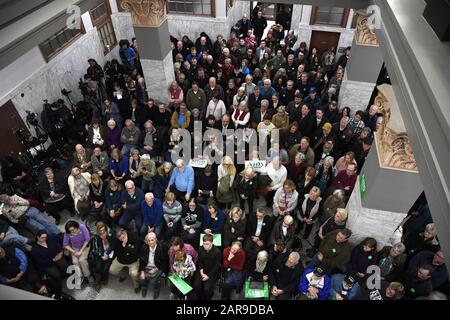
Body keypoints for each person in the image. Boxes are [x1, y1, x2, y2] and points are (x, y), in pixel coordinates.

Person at [109, 229, 141, 293]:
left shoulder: (134, 237)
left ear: (126, 233)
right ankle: (123, 274)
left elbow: (135, 252)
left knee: (133, 274)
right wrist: (128, 251)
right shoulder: (117, 240)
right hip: (121, 260)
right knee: (112, 270)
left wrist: (124, 246)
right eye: (120, 239)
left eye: (123, 238)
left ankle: (137, 286)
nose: (122, 240)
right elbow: (118, 251)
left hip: (133, 261)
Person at [138, 232, 169, 299]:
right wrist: (142, 271)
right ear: (147, 241)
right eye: (149, 240)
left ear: (156, 240)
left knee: (153, 281)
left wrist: (156, 269)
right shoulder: (144, 247)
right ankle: (144, 287)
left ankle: (156, 289)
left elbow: (165, 262)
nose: (151, 242)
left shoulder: (162, 248)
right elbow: (142, 260)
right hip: (147, 266)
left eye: (152, 240)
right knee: (141, 277)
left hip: (157, 266)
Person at [192, 234, 221, 300]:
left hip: (211, 272)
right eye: (204, 243)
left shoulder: (217, 252)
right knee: (196, 285)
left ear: (212, 243)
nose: (205, 246)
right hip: (201, 270)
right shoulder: (200, 248)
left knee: (207, 288)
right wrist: (201, 271)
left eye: (207, 244)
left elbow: (216, 266)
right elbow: (199, 261)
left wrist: (208, 276)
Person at [63, 220, 93, 284]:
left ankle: (87, 275)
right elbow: (65, 245)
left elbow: (87, 239)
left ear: (77, 227)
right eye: (70, 231)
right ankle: (80, 275)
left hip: (84, 246)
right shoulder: (67, 233)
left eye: (73, 229)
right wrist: (74, 251)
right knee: (75, 262)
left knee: (82, 260)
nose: (72, 232)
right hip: (75, 248)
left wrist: (81, 251)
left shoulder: (82, 227)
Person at [89, 222, 116, 291]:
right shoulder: (97, 235)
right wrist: (102, 254)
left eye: (103, 230)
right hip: (101, 252)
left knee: (105, 268)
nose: (102, 232)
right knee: (98, 267)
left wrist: (107, 253)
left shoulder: (111, 233)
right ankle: (99, 281)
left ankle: (104, 278)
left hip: (110, 251)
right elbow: (100, 246)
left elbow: (113, 245)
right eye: (100, 230)